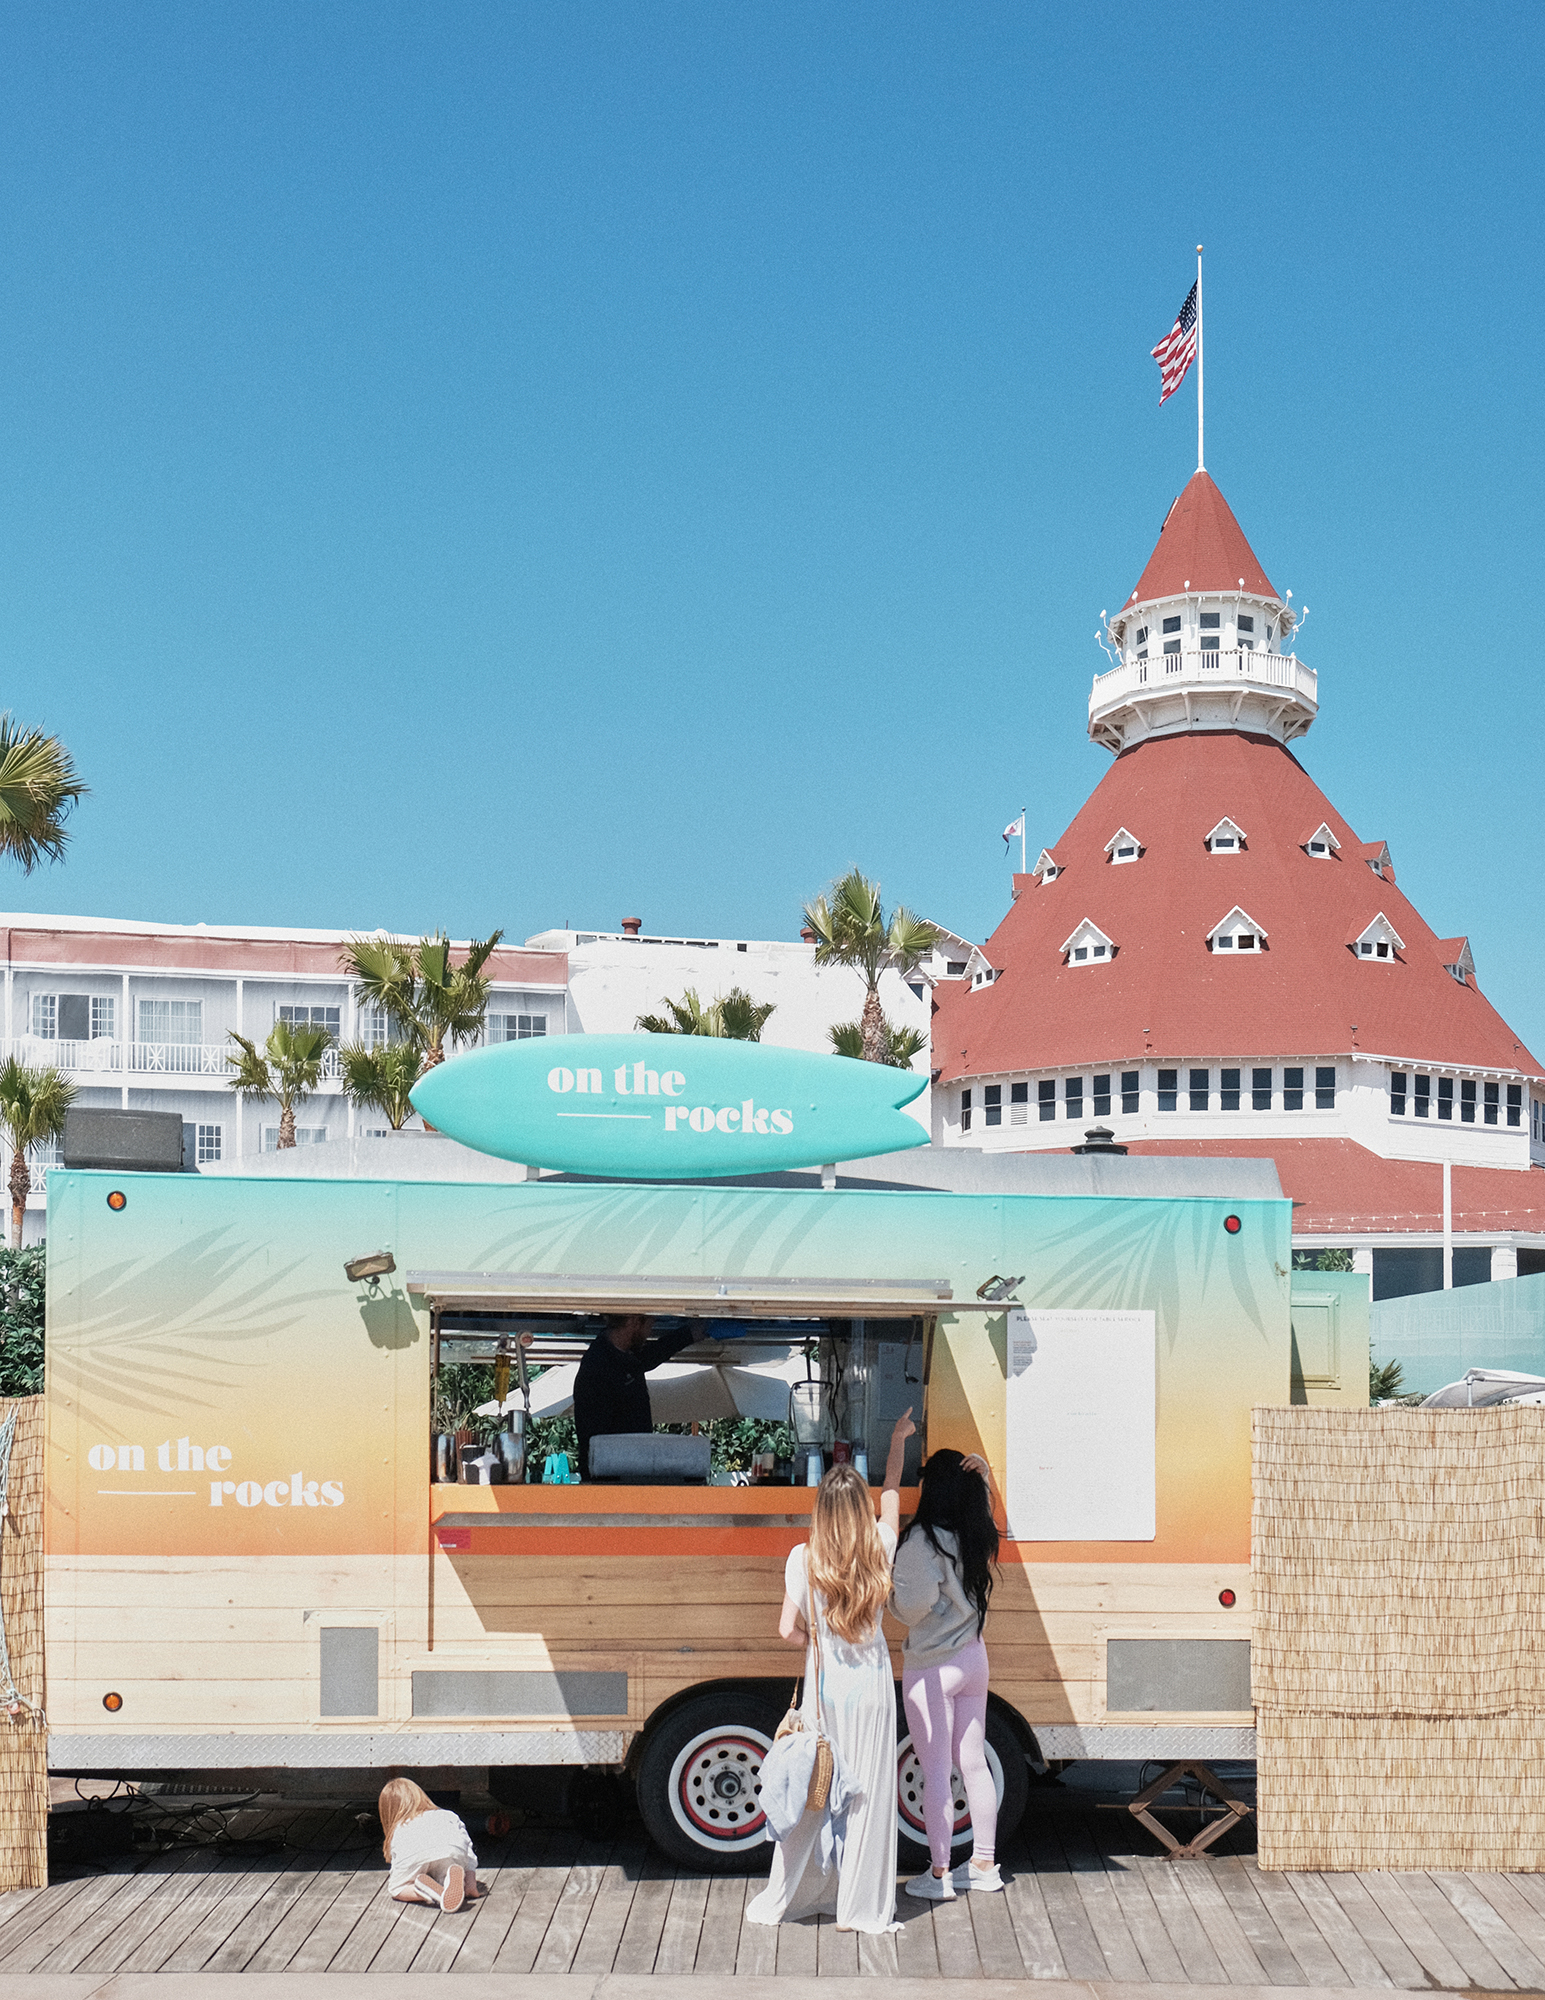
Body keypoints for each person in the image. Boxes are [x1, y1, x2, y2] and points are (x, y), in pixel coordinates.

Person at [745, 1408, 915, 1935]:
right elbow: (892, 1495)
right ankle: (860, 1908)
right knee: (865, 1797)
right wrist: (896, 1442)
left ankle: (795, 1895)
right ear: (859, 1508)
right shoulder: (879, 1547)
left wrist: (816, 1643)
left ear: (821, 1508)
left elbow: (785, 1630)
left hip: (825, 1693)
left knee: (814, 1792)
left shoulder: (804, 1556)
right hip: (869, 1689)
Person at [889, 1447, 1004, 1900]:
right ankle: (984, 1864)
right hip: (975, 1659)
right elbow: (987, 1510)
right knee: (973, 1763)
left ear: (930, 1488)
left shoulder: (920, 1543)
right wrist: (986, 1473)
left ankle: (939, 1875)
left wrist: (887, 1597)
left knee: (935, 1769)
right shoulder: (976, 1533)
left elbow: (911, 1609)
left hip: (933, 1667)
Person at [572, 1312, 701, 1479]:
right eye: (650, 1323)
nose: (650, 1331)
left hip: (626, 1476)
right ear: (634, 1321)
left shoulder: (621, 1355)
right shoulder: (598, 1367)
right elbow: (596, 1441)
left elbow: (653, 1354)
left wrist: (693, 1333)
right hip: (610, 1482)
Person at [378, 1777, 480, 1911]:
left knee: (397, 1888)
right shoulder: (447, 1815)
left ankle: (428, 1891)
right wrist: (471, 1882)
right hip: (452, 1849)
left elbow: (398, 1863)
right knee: (445, 1872)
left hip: (416, 1854)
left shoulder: (399, 1828)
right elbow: (468, 1848)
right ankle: (456, 1883)